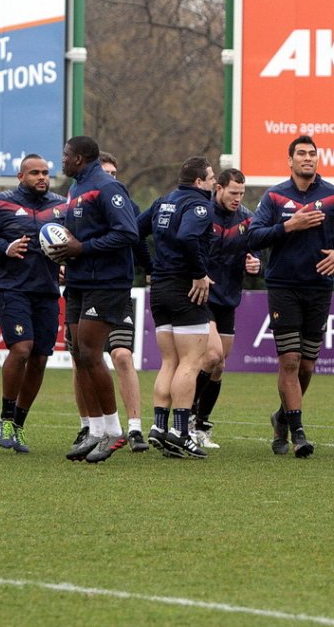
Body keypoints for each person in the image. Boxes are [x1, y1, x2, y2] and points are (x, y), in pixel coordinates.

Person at [248, 135, 334, 458]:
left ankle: (281, 417)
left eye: (312, 154)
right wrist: (290, 226)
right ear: (290, 161)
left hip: (319, 288)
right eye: (301, 154)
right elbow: (254, 236)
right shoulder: (273, 197)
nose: (307, 158)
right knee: (289, 360)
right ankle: (298, 431)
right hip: (283, 286)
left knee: (307, 366)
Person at [46, 136, 139, 464]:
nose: (62, 159)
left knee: (90, 351)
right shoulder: (75, 189)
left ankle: (115, 431)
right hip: (78, 280)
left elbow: (128, 232)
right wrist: (63, 252)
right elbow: (75, 236)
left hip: (107, 282)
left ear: (81, 158)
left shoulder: (108, 187)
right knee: (78, 352)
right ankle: (97, 430)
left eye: (66, 155)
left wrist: (82, 249)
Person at [0, 154, 68, 453]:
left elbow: (71, 241)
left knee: (39, 357)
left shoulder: (60, 206)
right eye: (35, 173)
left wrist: (66, 262)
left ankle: (19, 424)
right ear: (20, 176)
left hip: (46, 290)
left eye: (46, 173)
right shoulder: (1, 203)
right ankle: (5, 417)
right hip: (11, 288)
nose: (41, 177)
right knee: (21, 348)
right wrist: (4, 248)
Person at [71, 151, 152, 452]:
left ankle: (132, 429)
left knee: (120, 355)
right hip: (84, 285)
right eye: (106, 173)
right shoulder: (79, 194)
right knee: (82, 358)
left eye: (114, 174)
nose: (110, 179)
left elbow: (136, 238)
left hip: (113, 289)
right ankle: (90, 427)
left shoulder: (124, 203)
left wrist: (151, 271)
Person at [137, 156, 216, 459]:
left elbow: (134, 232)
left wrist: (150, 266)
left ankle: (159, 426)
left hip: (160, 288)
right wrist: (198, 273)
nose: (213, 183)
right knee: (191, 362)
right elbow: (187, 236)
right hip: (185, 288)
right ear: (199, 182)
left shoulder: (162, 201)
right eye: (211, 179)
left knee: (169, 361)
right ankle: (181, 433)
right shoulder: (200, 205)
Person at [190, 168, 260, 449]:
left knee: (219, 365)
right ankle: (186, 421)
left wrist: (254, 263)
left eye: (241, 193)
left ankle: (202, 424)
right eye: (233, 192)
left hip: (229, 297)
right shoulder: (202, 213)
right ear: (218, 188)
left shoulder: (246, 218)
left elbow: (254, 251)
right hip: (203, 296)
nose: (237, 198)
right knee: (211, 356)